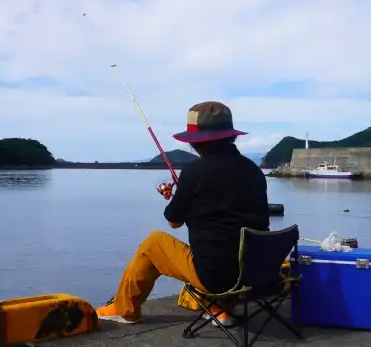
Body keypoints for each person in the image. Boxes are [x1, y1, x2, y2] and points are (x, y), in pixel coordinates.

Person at [95, 101, 270, 325]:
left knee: (153, 244)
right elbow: (228, 213)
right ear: (229, 135)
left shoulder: (194, 172)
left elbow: (174, 220)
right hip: (257, 274)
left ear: (197, 141)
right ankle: (221, 309)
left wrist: (180, 196)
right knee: (226, 247)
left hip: (216, 278)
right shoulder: (253, 171)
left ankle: (124, 309)